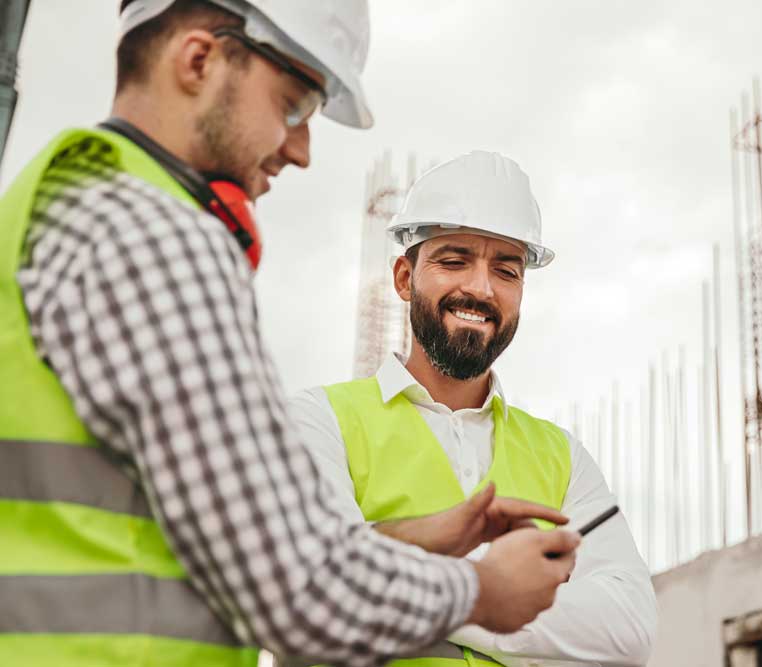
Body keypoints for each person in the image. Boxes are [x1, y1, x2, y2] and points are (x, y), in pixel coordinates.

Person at [0, 3, 580, 665]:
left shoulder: (65, 199)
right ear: (199, 60)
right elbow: (293, 584)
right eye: (294, 105)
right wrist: (479, 587)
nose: (301, 150)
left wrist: (423, 538)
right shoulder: (154, 238)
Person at [290, 151, 659, 667]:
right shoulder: (316, 422)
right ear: (403, 277)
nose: (480, 288)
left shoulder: (562, 456)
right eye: (453, 260)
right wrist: (495, 590)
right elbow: (317, 587)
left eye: (505, 270)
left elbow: (629, 629)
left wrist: (389, 572)